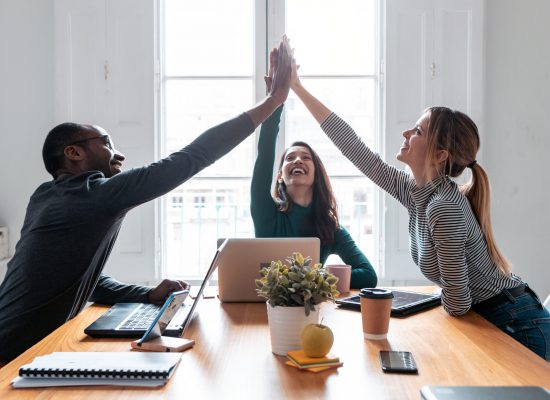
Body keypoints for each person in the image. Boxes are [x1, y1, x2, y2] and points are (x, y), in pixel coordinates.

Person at [0, 37, 293, 365]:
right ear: (73, 152)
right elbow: (191, 158)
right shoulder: (91, 195)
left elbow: (81, 278)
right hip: (10, 359)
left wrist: (148, 294)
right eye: (107, 142)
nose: (119, 153)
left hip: (24, 352)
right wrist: (273, 101)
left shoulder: (48, 197)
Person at [289, 60, 550, 360]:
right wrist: (298, 88)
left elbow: (459, 302)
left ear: (440, 155)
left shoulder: (443, 207)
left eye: (417, 131)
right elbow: (356, 149)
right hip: (496, 316)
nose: (406, 134)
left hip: (517, 325)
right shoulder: (418, 193)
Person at [250, 48, 377, 289]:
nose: (297, 160)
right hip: (266, 307)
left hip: (313, 309)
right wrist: (275, 99)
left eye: (305, 157)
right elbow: (265, 151)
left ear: (317, 172)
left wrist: (316, 275)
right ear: (279, 176)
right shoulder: (266, 211)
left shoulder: (329, 227)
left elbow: (369, 275)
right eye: (290, 158)